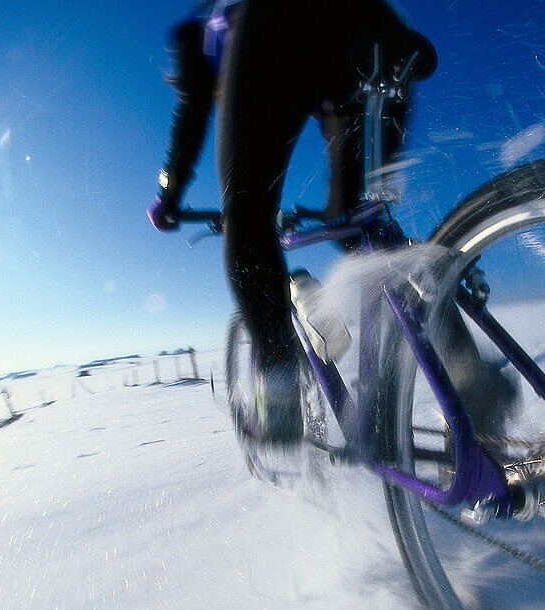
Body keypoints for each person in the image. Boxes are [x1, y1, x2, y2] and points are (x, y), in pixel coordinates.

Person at [149, 0, 436, 444]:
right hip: (372, 24)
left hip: (276, 22)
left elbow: (190, 115)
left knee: (246, 216)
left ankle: (280, 397)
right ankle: (467, 373)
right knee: (364, 228)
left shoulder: (197, 32)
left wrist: (167, 197)